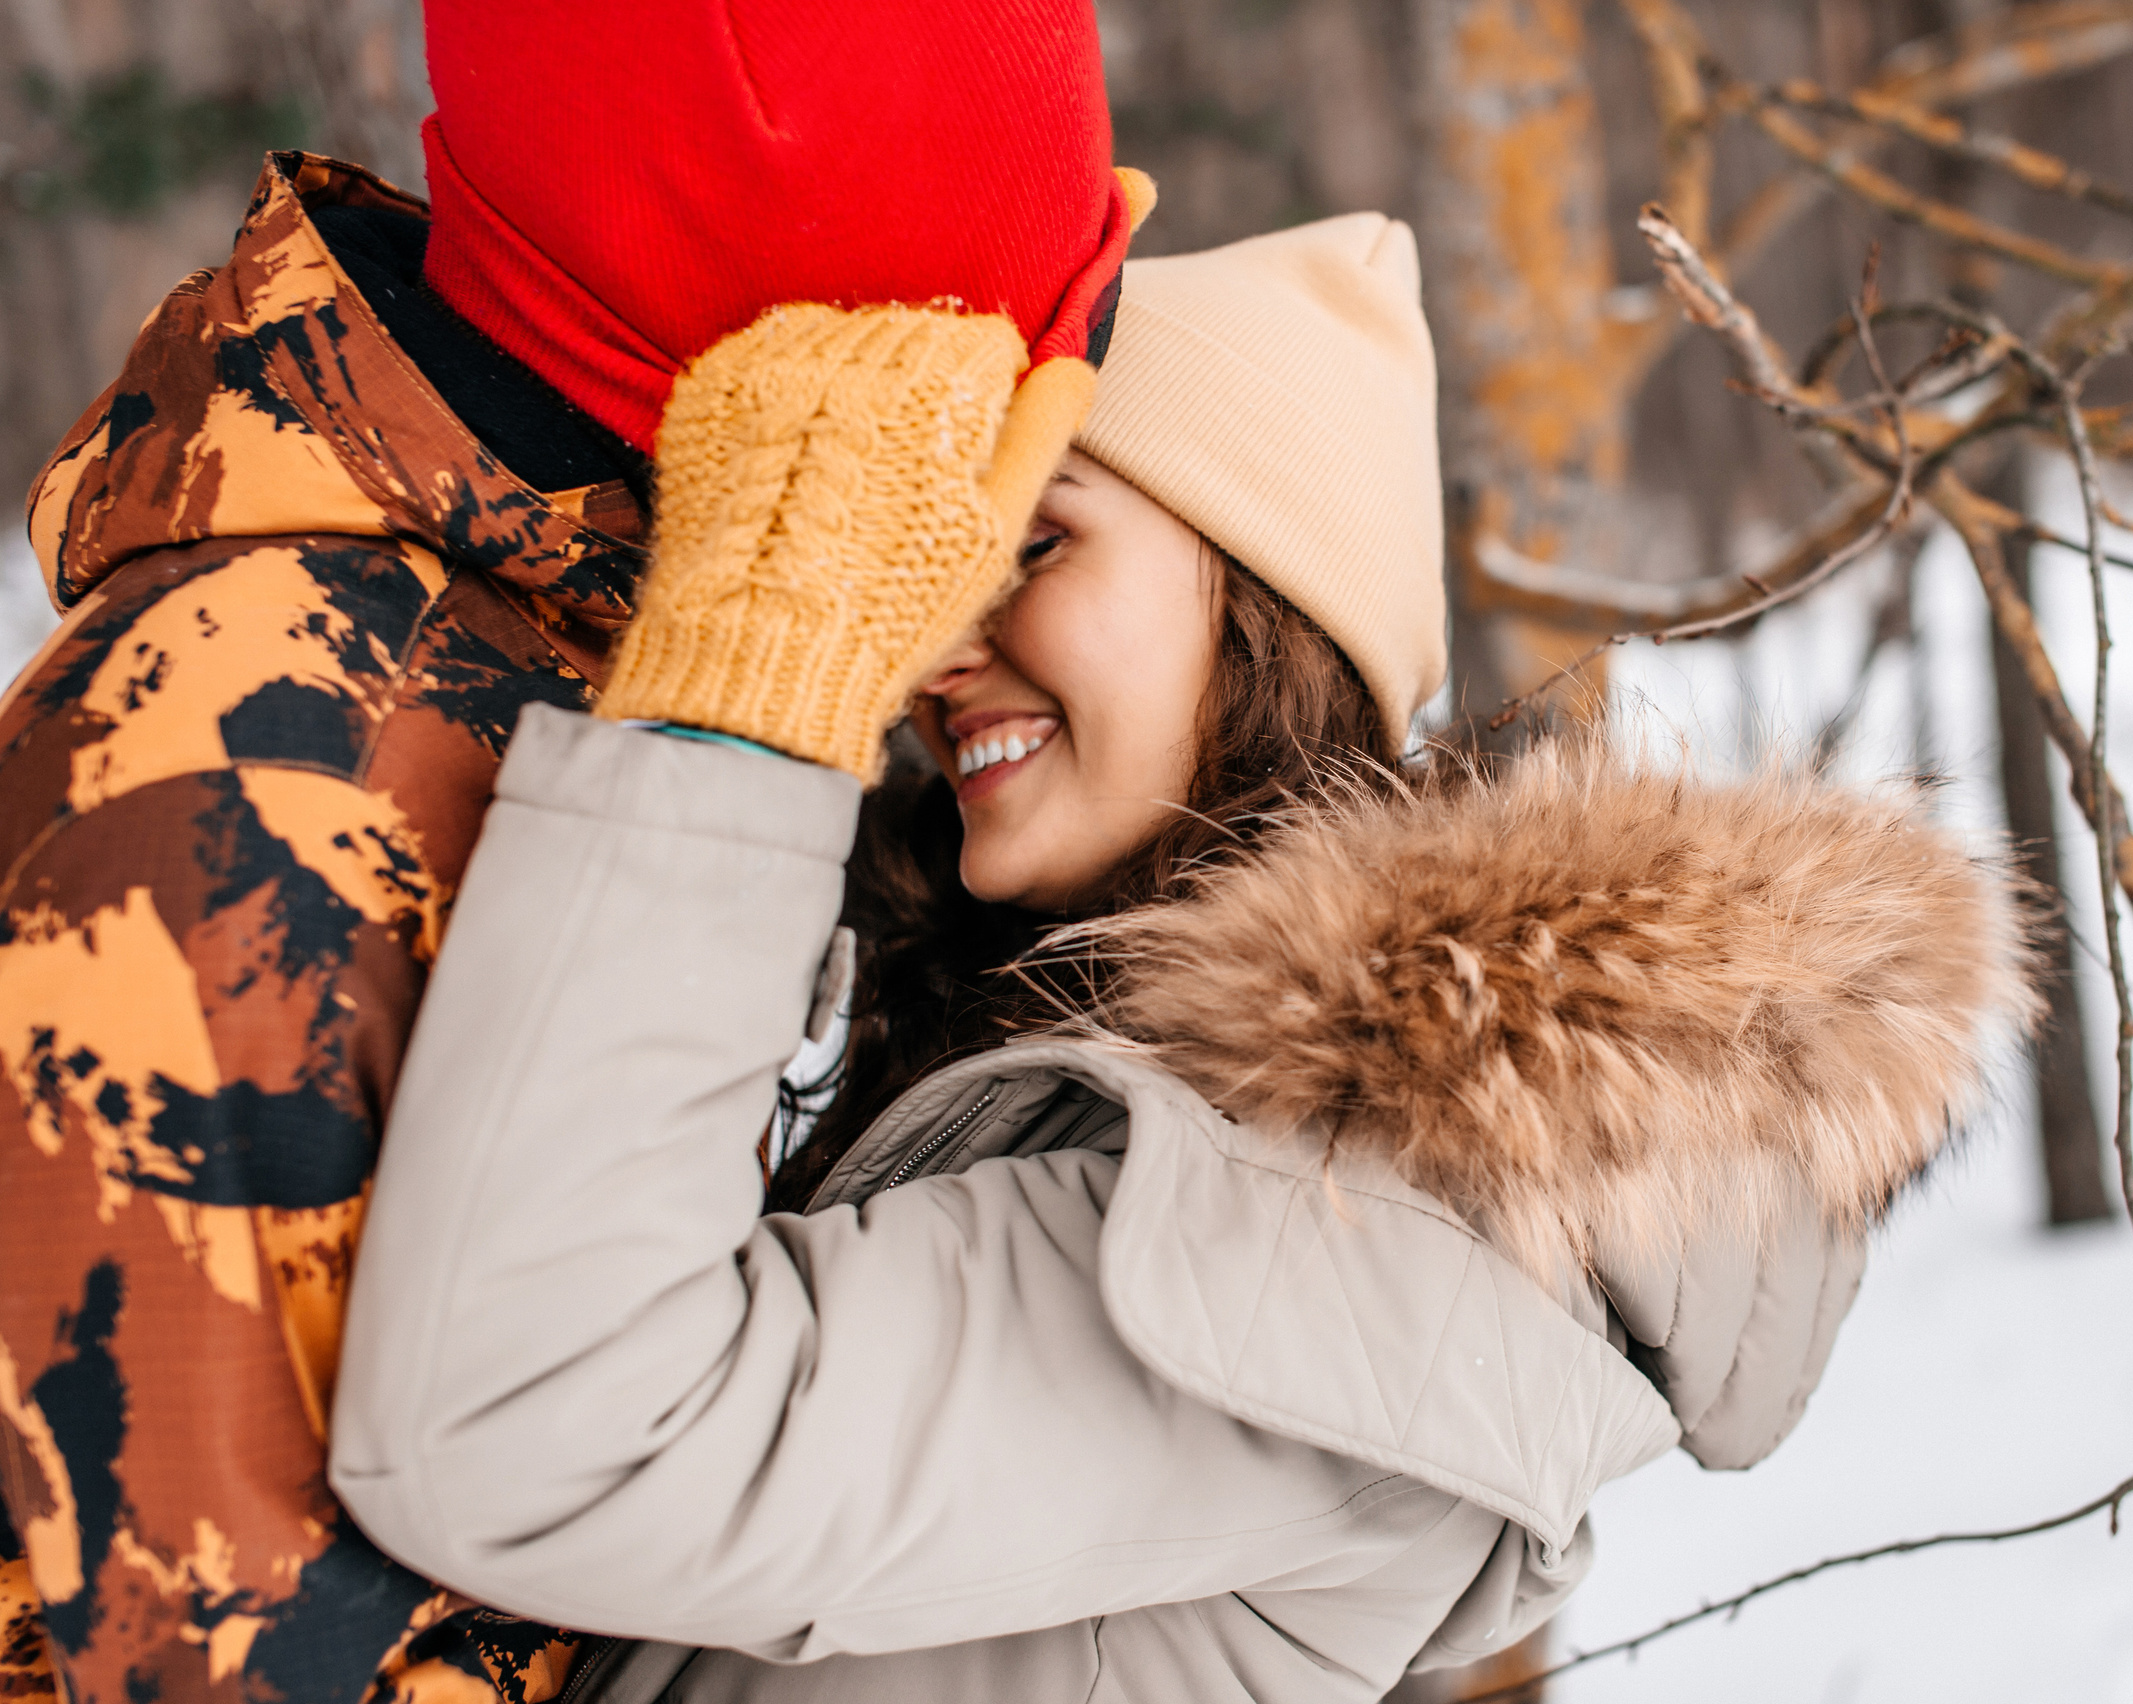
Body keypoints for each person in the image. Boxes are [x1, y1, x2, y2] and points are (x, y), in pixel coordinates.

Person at [323, 214, 2037, 1701]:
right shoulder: (1138, 1102)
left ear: (1268, 598)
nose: (935, 643)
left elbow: (545, 1431)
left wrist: (749, 692)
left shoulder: (1375, 1224)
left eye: (1038, 543)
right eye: (939, 559)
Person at [0, 7, 1140, 1704]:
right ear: (827, 383)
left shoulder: (547, 674)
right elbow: (249, 1658)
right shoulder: (272, 783)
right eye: (993, 418)